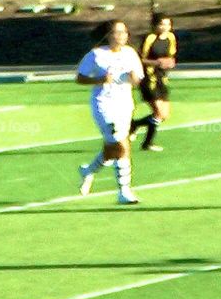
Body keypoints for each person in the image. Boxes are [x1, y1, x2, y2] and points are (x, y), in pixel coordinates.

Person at [76, 20, 145, 204]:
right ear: (108, 35)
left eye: (124, 32)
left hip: (125, 105)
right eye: (118, 32)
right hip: (103, 104)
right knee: (120, 144)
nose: (122, 35)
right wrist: (99, 79)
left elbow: (138, 78)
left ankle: (88, 171)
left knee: (113, 149)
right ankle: (124, 191)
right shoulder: (96, 55)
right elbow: (80, 78)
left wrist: (134, 78)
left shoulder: (130, 53)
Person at [129, 13, 177, 152]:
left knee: (164, 115)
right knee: (158, 112)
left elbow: (171, 56)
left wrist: (170, 62)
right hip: (149, 78)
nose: (165, 27)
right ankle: (148, 143)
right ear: (155, 25)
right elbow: (139, 59)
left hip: (162, 78)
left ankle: (135, 125)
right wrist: (155, 62)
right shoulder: (150, 38)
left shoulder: (171, 37)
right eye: (162, 24)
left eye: (168, 24)